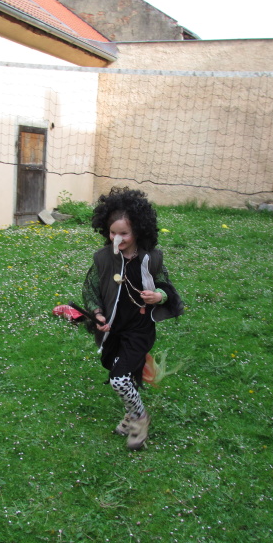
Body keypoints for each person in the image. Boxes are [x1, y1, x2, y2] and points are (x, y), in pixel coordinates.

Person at [82, 187, 183, 450]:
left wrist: (158, 296)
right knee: (115, 369)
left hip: (139, 328)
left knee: (119, 379)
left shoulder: (152, 259)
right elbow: (90, 290)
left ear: (138, 230)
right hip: (114, 328)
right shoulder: (103, 259)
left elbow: (167, 287)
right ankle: (130, 414)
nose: (117, 238)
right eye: (112, 232)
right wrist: (97, 313)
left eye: (124, 233)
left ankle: (139, 419)